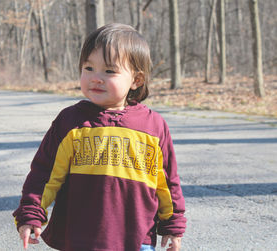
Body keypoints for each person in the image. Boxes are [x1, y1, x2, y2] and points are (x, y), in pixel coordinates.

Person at [13, 23, 186, 251]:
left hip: (137, 239)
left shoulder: (153, 127)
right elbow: (44, 174)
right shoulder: (71, 122)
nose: (96, 78)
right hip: (80, 238)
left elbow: (167, 181)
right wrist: (31, 214)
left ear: (137, 80)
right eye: (88, 68)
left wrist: (172, 224)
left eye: (109, 71)